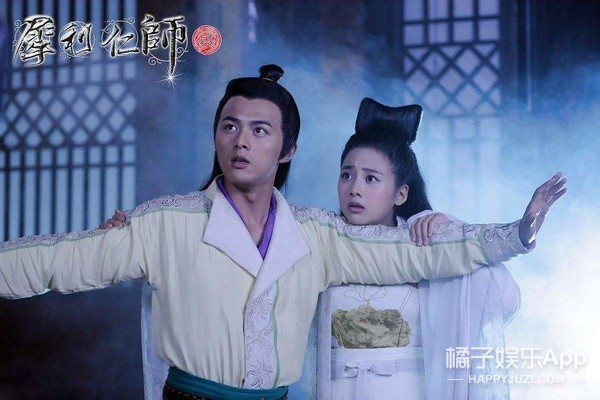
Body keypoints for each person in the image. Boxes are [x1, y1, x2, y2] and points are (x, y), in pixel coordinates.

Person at [1, 65, 564, 400]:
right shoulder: (166, 222)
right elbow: (64, 260)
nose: (242, 141)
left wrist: (516, 233)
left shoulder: (318, 235)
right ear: (217, 137)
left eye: (260, 130)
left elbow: (416, 256)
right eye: (230, 126)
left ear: (287, 150)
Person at [312, 98, 544, 400]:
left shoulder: (423, 243)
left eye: (371, 178)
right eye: (347, 175)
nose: (355, 188)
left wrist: (452, 227)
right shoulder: (324, 241)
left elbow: (502, 300)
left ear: (401, 193)